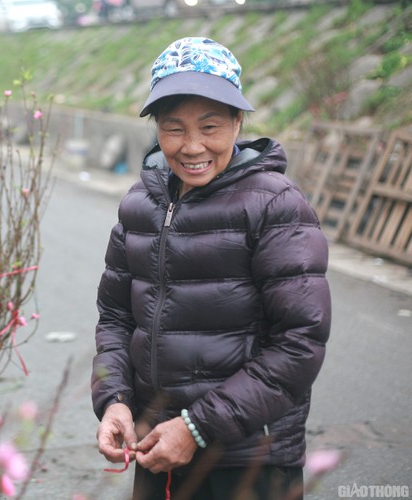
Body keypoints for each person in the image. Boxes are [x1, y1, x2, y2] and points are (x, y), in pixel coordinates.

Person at [91, 37, 331, 500]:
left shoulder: (275, 206)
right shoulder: (140, 204)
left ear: (238, 122)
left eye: (211, 126)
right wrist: (115, 400)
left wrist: (197, 428)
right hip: (157, 448)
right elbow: (117, 318)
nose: (193, 146)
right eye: (174, 127)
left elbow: (300, 341)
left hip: (247, 462)